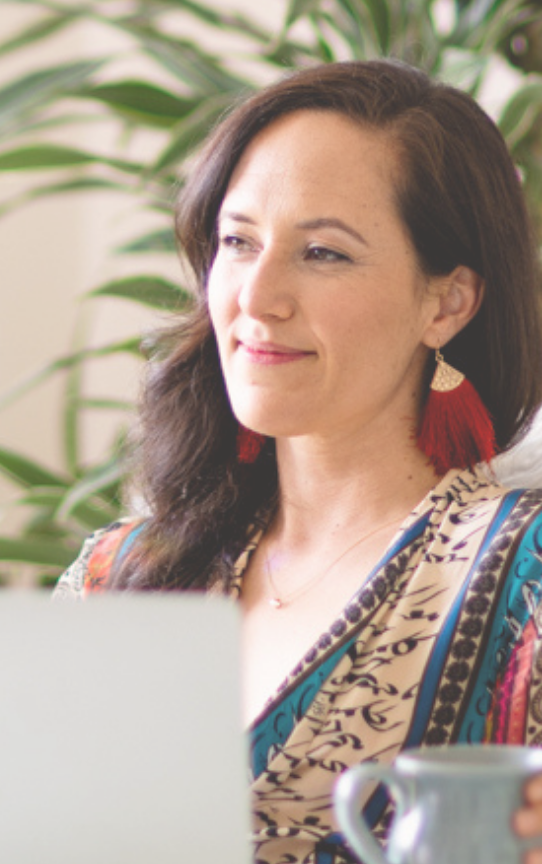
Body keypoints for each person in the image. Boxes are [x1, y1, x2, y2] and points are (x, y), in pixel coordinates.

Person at [55, 60, 542, 864]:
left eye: (322, 253)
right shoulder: (116, 576)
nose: (257, 297)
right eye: (238, 242)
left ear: (447, 302)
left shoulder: (525, 578)